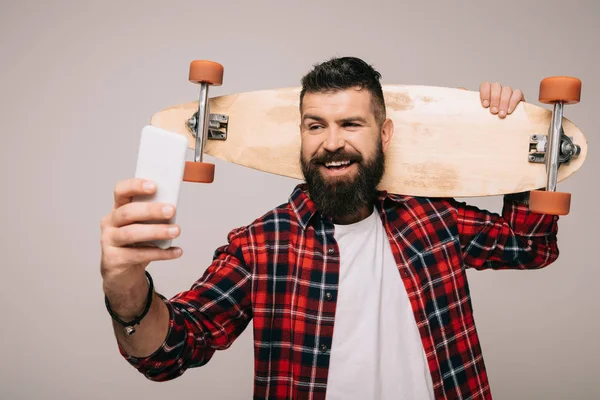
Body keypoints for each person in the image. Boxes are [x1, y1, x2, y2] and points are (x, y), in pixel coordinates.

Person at [100, 57, 558, 400]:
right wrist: (125, 288)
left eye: (351, 124)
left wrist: (516, 139)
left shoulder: (432, 220)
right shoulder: (264, 243)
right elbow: (172, 350)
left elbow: (532, 246)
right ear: (300, 135)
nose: (332, 142)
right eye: (315, 125)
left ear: (386, 134)